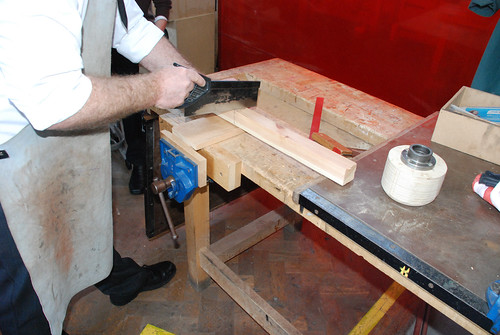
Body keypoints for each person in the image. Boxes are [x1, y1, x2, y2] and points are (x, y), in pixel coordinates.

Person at [0, 0, 205, 334]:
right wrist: (156, 88)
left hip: (49, 125)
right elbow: (55, 101)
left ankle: (120, 281)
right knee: (25, 296)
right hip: (10, 148)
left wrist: (197, 85)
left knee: (79, 221)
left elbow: (131, 31)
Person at [113, 0, 173, 195]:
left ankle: (144, 159)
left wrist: (155, 34)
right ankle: (135, 159)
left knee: (134, 99)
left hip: (138, 32)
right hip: (104, 41)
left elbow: (163, 5)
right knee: (124, 100)